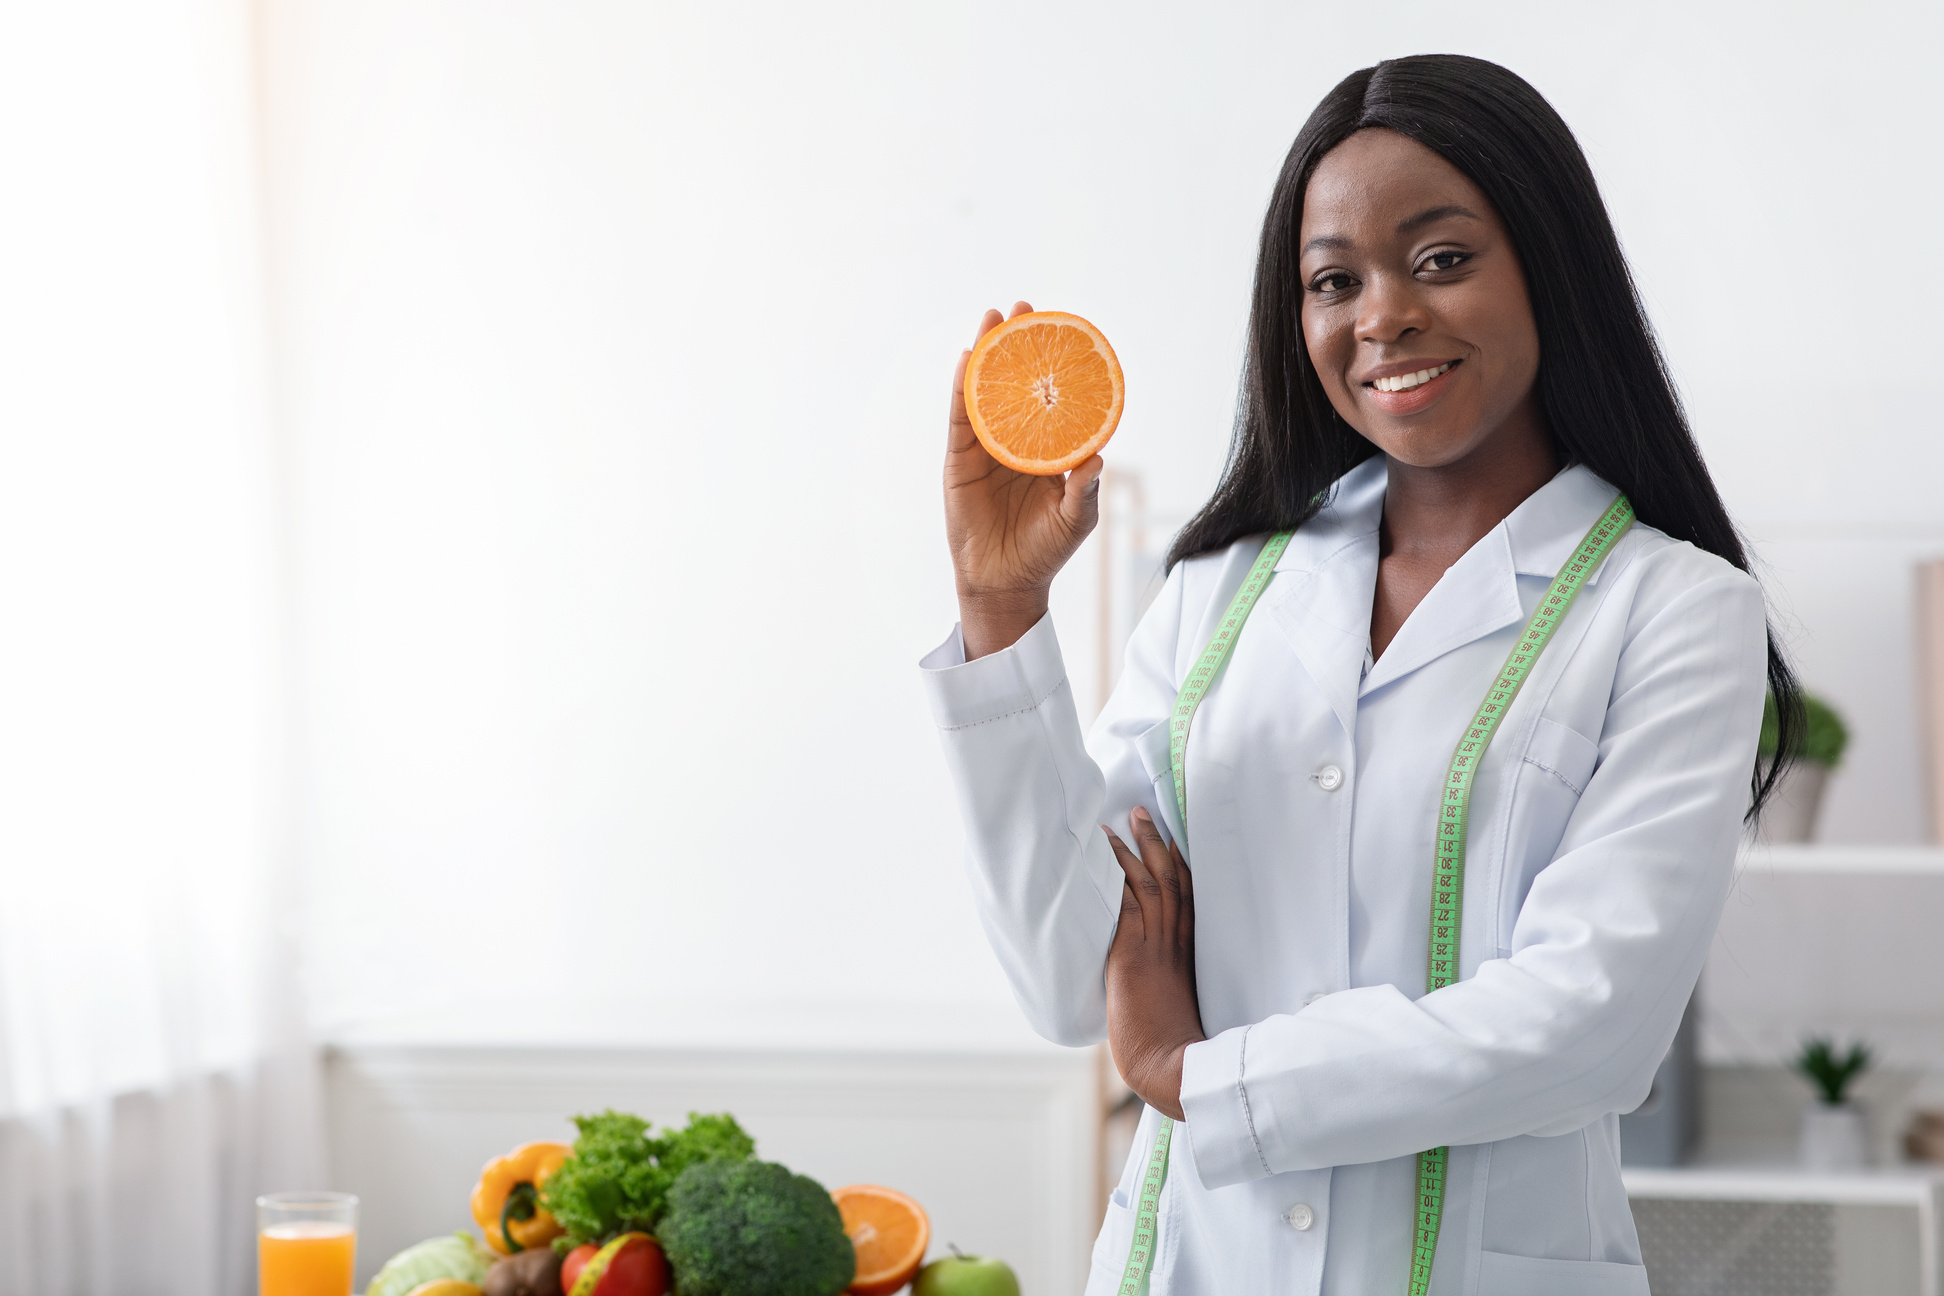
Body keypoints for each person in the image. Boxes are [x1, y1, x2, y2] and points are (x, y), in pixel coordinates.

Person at [920, 54, 1803, 1296]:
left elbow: (1589, 1025)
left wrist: (1200, 1079)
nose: (1381, 314)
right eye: (1335, 280)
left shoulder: (1673, 610)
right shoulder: (1221, 590)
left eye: (1442, 259)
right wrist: (1000, 612)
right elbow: (1076, 980)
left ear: (1550, 266)